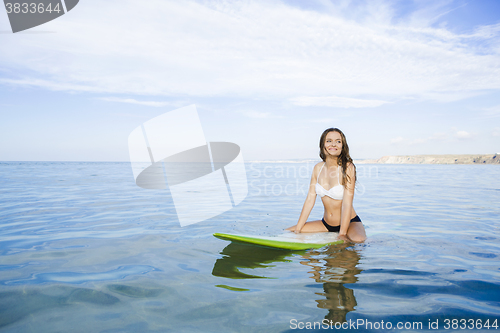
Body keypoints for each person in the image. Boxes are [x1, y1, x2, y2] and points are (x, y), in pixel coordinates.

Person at [286, 128, 366, 243]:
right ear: (323, 144)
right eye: (329, 141)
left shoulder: (348, 167)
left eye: (338, 141)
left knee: (359, 240)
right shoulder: (318, 168)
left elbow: (347, 203)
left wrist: (342, 234)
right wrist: (298, 230)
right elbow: (309, 200)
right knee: (288, 231)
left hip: (350, 223)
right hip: (326, 224)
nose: (333, 144)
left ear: (342, 146)